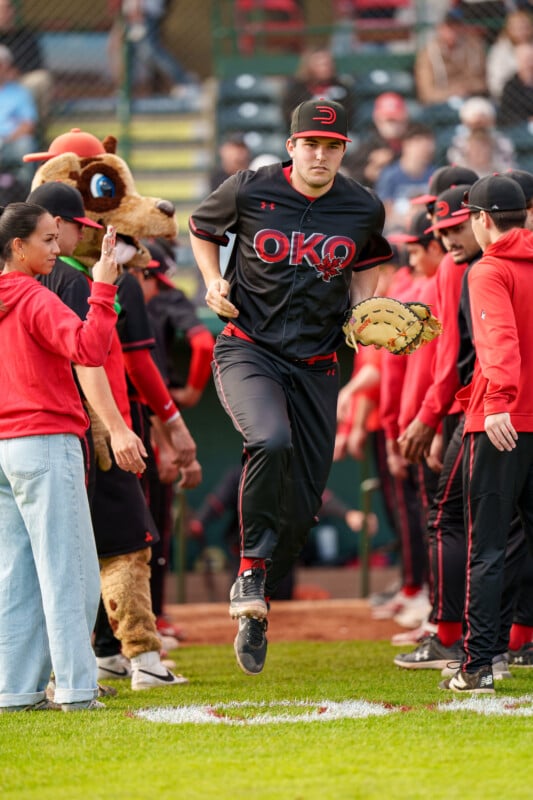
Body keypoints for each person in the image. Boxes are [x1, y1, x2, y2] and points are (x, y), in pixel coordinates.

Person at [189, 98, 392, 676]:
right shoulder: (250, 188)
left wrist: (366, 306)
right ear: (292, 146)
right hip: (248, 345)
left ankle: (258, 604)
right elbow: (202, 227)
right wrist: (210, 281)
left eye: (332, 146)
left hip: (318, 361)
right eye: (311, 144)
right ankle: (248, 575)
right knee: (270, 439)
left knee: (305, 506)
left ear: (343, 151)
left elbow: (370, 263)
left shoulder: (361, 206)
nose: (321, 154)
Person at [27, 180, 194, 691]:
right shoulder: (82, 282)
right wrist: (121, 428)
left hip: (45, 431)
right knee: (127, 548)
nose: (75, 235)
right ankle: (142, 657)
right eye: (74, 226)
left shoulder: (28, 283)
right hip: (95, 429)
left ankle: (94, 657)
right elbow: (90, 361)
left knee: (66, 550)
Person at [0, 202, 119, 712]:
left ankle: (16, 690)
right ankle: (76, 689)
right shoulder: (32, 295)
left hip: (5, 448)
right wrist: (105, 286)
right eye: (47, 240)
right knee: (69, 571)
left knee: (17, 576)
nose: (55, 248)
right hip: (45, 440)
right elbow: (89, 348)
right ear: (17, 247)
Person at [440, 174, 533, 693]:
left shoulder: (488, 268)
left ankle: (478, 664)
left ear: (480, 219)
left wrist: (497, 400)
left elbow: (498, 339)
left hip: (502, 422)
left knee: (488, 547)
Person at [115, 0, 197, 97]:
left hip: (142, 13)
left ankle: (186, 82)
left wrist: (136, 9)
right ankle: (126, 91)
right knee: (130, 52)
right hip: (136, 14)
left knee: (151, 51)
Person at [414, 9, 487, 105]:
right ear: (440, 29)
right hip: (440, 103)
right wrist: (452, 92)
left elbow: (483, 83)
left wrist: (465, 88)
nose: (453, 31)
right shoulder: (428, 53)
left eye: (457, 26)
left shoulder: (474, 47)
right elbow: (426, 93)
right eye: (449, 27)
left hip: (471, 99)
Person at [375, 123, 436, 234]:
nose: (425, 149)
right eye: (419, 144)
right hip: (398, 229)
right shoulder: (390, 175)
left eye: (428, 144)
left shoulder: (435, 174)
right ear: (406, 144)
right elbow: (385, 212)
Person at [0, 0, 53, 125]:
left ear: (12, 12)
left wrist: (13, 73)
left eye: (7, 9)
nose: (4, 13)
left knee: (41, 79)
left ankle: (37, 128)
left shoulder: (25, 35)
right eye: (1, 9)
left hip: (20, 80)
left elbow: (36, 64)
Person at [281, 48, 356, 128]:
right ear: (309, 66)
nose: (326, 68)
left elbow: (349, 114)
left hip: (336, 132)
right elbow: (289, 113)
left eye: (328, 64)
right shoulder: (297, 89)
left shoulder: (342, 88)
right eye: (321, 64)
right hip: (303, 132)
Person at [447, 96, 516, 177]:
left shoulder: (502, 142)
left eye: (482, 121)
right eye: (475, 123)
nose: (479, 126)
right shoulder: (458, 143)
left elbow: (508, 170)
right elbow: (457, 170)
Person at [0, 44, 37, 193]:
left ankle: (25, 191)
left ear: (8, 67)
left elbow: (28, 125)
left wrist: (6, 139)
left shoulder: (20, 92)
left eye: (1, 64)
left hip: (11, 141)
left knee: (25, 144)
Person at [486, 7, 533, 100]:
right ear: (508, 29)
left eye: (524, 27)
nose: (521, 31)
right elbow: (496, 83)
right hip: (510, 96)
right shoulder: (500, 50)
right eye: (516, 27)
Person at [498, 41, 533, 126]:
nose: (529, 63)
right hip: (520, 128)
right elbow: (507, 114)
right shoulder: (510, 86)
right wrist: (527, 119)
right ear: (517, 60)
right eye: (525, 59)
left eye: (531, 58)